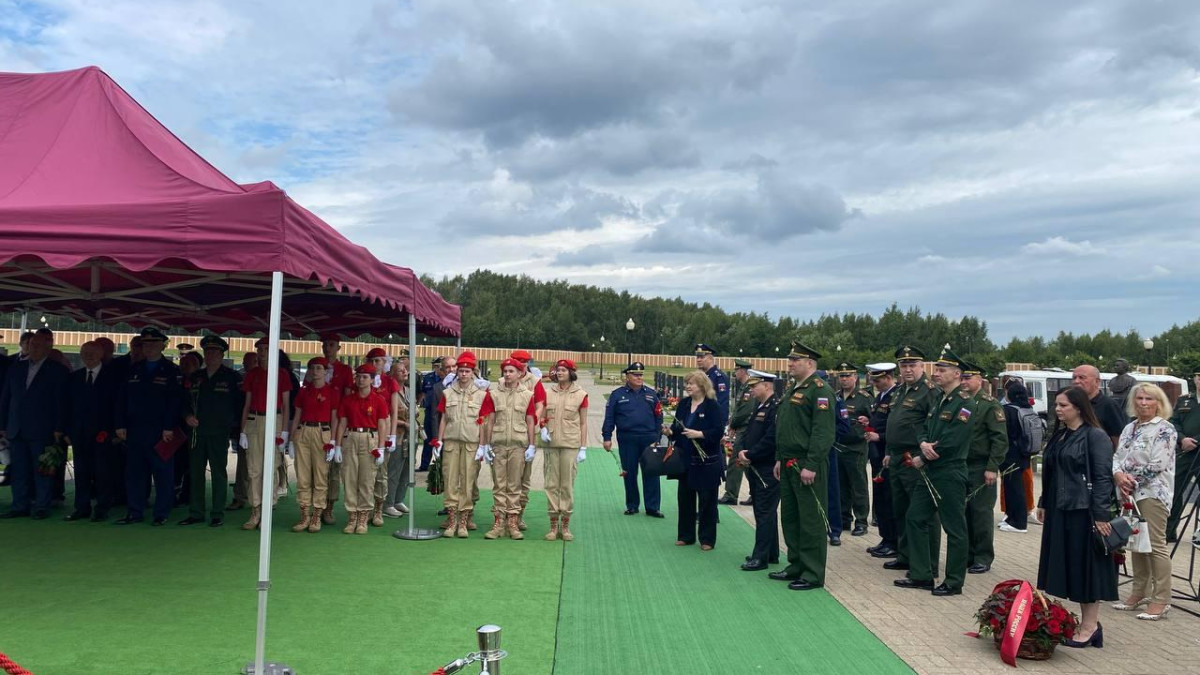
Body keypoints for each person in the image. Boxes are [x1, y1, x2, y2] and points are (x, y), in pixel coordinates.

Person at [1037, 385, 1119, 649]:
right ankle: (1086, 624)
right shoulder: (1061, 435)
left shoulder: (1095, 436)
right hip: (1060, 508)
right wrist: (1043, 502)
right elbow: (1051, 473)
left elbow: (1103, 477)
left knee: (1087, 568)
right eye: (1057, 405)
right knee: (1071, 566)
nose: (1058, 410)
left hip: (1084, 511)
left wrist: (1101, 515)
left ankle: (1090, 626)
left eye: (1063, 405)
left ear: (1079, 407)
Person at [895, 348, 978, 596]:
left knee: (954, 528)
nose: (937, 373)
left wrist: (924, 455)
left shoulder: (965, 403)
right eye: (937, 369)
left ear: (957, 374)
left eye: (942, 370)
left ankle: (953, 581)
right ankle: (921, 574)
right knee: (915, 518)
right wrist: (922, 443)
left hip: (949, 472)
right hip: (930, 471)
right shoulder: (940, 399)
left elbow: (954, 439)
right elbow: (923, 426)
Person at [769, 341, 836, 591]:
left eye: (795, 360)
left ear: (810, 363)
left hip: (806, 464)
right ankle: (796, 564)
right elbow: (785, 426)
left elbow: (823, 432)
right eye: (790, 360)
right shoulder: (794, 388)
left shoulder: (819, 390)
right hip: (788, 461)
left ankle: (812, 572)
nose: (790, 364)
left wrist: (812, 464)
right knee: (791, 517)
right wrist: (779, 457)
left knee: (810, 519)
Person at [1112, 383, 1177, 620]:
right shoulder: (1130, 427)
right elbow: (1117, 456)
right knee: (1137, 543)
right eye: (1139, 398)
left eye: (1149, 399)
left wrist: (1131, 481)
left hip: (1152, 493)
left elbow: (1158, 463)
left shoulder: (1165, 429)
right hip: (1128, 493)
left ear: (1159, 403)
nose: (1143, 403)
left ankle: (1161, 599)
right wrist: (1118, 475)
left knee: (1156, 546)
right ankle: (1139, 592)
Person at [113, 327, 184, 526]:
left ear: (162, 346)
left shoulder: (171, 370)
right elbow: (121, 399)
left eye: (153, 343)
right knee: (134, 473)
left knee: (163, 473)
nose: (149, 347)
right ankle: (134, 511)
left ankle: (161, 513)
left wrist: (168, 426)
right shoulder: (134, 369)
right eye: (145, 344)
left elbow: (174, 402)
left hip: (160, 431)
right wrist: (119, 424)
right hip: (135, 429)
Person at [883, 345, 940, 578]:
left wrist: (924, 456)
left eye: (912, 365)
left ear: (922, 366)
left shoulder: (929, 391)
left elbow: (934, 427)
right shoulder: (900, 391)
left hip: (916, 458)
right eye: (903, 365)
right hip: (897, 457)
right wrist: (889, 450)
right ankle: (906, 555)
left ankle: (928, 563)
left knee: (923, 513)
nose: (907, 369)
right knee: (902, 510)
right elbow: (894, 423)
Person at [0, 331, 69, 519]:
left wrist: (59, 427)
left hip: (43, 429)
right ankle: (19, 505)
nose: (34, 348)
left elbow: (61, 403)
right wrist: (2, 424)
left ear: (48, 347)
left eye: (38, 345)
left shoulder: (57, 370)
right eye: (31, 345)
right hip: (16, 427)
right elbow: (6, 398)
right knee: (19, 470)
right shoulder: (16, 368)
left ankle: (41, 506)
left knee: (42, 470)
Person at [179, 335, 243, 528]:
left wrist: (232, 426)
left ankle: (217, 513)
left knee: (218, 473)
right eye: (208, 351)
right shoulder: (195, 377)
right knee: (196, 473)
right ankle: (196, 512)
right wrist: (187, 416)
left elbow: (239, 405)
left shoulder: (232, 377)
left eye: (215, 352)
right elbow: (183, 402)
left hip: (219, 432)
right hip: (196, 433)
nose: (211, 355)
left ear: (222, 355)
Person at [433, 351, 494, 538]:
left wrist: (483, 445)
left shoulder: (481, 395)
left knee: (468, 482)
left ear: (473, 372)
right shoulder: (448, 392)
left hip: (471, 444)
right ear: (457, 372)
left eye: (467, 371)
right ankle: (452, 520)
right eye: (461, 371)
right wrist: (439, 441)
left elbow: (484, 421)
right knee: (450, 480)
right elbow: (444, 418)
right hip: (451, 442)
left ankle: (464, 521)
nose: (464, 374)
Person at [59, 341, 120, 522]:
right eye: (85, 352)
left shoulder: (113, 378)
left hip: (103, 434)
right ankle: (81, 507)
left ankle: (102, 508)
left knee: (103, 473)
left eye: (93, 352)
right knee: (81, 473)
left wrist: (114, 432)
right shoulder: (74, 378)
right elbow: (66, 407)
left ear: (101, 354)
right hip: (79, 434)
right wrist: (66, 431)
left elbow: (118, 407)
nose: (89, 356)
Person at [666, 370, 725, 551]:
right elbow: (678, 428)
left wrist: (699, 434)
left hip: (706, 461)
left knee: (707, 500)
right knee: (685, 498)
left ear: (702, 386)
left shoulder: (712, 406)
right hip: (686, 459)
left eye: (691, 383)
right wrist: (669, 432)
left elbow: (718, 431)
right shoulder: (684, 404)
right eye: (687, 383)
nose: (687, 387)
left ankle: (707, 539)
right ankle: (686, 535)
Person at [237, 337, 293, 530]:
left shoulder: (281, 374)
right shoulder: (252, 374)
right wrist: (243, 431)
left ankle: (267, 509)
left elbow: (286, 405)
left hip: (274, 419)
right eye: (260, 349)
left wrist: (284, 431)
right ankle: (255, 510)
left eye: (266, 349)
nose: (262, 352)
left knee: (271, 466)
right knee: (254, 469)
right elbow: (246, 404)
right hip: (254, 419)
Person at [960, 361, 1007, 575]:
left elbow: (999, 439)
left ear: (980, 380)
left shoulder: (989, 405)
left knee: (981, 513)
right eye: (962, 378)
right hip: (962, 465)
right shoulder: (963, 403)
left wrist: (992, 467)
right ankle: (968, 554)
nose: (964, 382)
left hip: (981, 467)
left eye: (968, 378)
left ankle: (982, 557)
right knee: (964, 513)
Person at [601, 361, 664, 517]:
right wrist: (607, 437)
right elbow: (609, 417)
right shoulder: (617, 395)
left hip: (648, 438)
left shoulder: (651, 394)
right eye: (635, 375)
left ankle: (652, 507)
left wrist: (657, 437)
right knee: (629, 473)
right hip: (627, 439)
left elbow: (659, 417)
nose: (639, 377)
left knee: (651, 472)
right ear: (627, 376)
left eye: (641, 375)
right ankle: (632, 505)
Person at [334, 363, 390, 534]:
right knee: (349, 477)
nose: (360, 380)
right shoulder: (348, 399)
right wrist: (337, 446)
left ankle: (363, 516)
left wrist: (381, 448)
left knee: (366, 479)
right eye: (358, 376)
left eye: (365, 377)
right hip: (351, 436)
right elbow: (342, 423)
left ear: (372, 380)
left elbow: (382, 424)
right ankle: (352, 516)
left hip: (369, 437)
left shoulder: (378, 400)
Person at [485, 357, 537, 539]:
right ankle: (499, 523)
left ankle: (513, 523)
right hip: (499, 444)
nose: (507, 374)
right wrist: (486, 444)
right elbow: (490, 420)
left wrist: (532, 445)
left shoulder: (527, 395)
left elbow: (530, 421)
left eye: (511, 371)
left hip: (518, 445)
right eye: (505, 371)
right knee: (499, 485)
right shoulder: (493, 394)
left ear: (520, 374)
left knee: (514, 485)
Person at [287, 357, 340, 532]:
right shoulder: (304, 391)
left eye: (319, 368)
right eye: (312, 368)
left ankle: (317, 515)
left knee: (320, 476)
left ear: (325, 371)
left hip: (322, 432)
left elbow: (334, 418)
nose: (315, 371)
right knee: (303, 476)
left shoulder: (332, 391)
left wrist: (333, 441)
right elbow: (297, 415)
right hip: (303, 431)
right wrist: (292, 440)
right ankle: (304, 515)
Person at [736, 370, 780, 570]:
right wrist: (743, 451)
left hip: (767, 466)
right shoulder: (761, 405)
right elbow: (750, 431)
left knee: (764, 511)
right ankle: (771, 553)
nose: (751, 390)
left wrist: (750, 454)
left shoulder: (774, 407)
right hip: (756, 464)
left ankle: (760, 557)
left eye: (755, 386)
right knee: (765, 511)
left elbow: (771, 439)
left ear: (767, 386)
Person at [542, 359, 589, 541]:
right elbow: (543, 416)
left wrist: (583, 447)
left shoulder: (581, 395)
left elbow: (583, 423)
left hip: (570, 444)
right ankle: (553, 525)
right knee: (551, 484)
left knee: (566, 485)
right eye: (558, 370)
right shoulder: (548, 393)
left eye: (563, 370)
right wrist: (543, 428)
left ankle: (566, 525)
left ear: (571, 372)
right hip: (552, 444)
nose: (559, 373)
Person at [861, 363, 899, 558]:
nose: (874, 383)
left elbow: (896, 428)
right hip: (877, 455)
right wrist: (868, 424)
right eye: (873, 380)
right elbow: (880, 421)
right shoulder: (880, 396)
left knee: (889, 500)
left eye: (878, 380)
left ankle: (893, 541)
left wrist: (880, 436)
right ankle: (885, 538)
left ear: (889, 377)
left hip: (887, 453)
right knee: (881, 499)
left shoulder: (895, 396)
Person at [318, 333, 355, 524]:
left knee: (333, 469)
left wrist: (344, 422)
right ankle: (316, 506)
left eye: (331, 344)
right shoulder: (316, 366)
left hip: (337, 422)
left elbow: (347, 396)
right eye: (325, 344)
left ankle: (329, 507)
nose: (327, 348)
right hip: (318, 420)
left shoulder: (345, 370)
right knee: (317, 467)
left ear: (338, 348)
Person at [833, 361, 872, 536]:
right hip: (838, 446)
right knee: (841, 485)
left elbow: (874, 421)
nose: (844, 379)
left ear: (855, 377)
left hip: (856, 448)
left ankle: (861, 521)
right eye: (841, 376)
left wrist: (867, 428)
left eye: (848, 375)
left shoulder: (864, 398)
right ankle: (844, 519)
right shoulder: (835, 396)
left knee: (858, 486)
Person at [510, 350, 546, 529]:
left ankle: (518, 515)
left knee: (524, 476)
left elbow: (540, 405)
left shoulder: (534, 382)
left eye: (525, 362)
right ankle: (505, 514)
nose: (522, 364)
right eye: (518, 361)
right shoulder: (504, 379)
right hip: (508, 433)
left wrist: (533, 420)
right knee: (507, 477)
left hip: (527, 433)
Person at [365, 347, 400, 527]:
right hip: (366, 425)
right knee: (365, 471)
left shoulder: (389, 382)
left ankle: (379, 508)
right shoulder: (365, 379)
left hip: (383, 425)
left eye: (378, 360)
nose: (375, 364)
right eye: (372, 361)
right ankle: (366, 508)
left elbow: (393, 411)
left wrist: (392, 434)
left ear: (385, 362)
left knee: (381, 471)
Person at [1166, 368, 1200, 543]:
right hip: (1184, 453)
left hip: (1197, 450)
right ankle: (1169, 531)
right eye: (1199, 377)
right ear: (1195, 379)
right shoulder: (1184, 400)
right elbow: (1173, 422)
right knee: (1174, 491)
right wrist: (1181, 439)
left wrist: (1196, 441)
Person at [998, 382, 1033, 533]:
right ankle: (1011, 518)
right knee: (1015, 487)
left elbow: (1002, 433)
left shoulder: (1008, 410)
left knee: (1014, 489)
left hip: (1010, 454)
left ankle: (1018, 522)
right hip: (1025, 454)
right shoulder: (1028, 409)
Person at [720, 359, 755, 505]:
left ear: (743, 371)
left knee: (736, 461)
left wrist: (733, 425)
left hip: (745, 429)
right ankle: (755, 493)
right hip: (742, 428)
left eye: (737, 370)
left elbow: (745, 411)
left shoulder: (749, 387)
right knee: (745, 462)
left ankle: (731, 494)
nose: (735, 372)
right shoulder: (744, 387)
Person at [383, 358, 412, 519]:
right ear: (392, 374)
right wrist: (403, 423)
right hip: (398, 435)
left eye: (405, 370)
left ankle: (399, 499)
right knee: (394, 470)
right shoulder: (390, 392)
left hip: (410, 436)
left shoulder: (409, 391)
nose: (404, 372)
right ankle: (388, 503)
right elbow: (388, 414)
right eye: (400, 370)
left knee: (406, 470)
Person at [1072, 365, 1126, 448]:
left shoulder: (1108, 405)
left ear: (1097, 382)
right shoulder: (1072, 404)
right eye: (1074, 378)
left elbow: (1118, 439)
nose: (1076, 381)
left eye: (1082, 378)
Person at [694, 343, 730, 424]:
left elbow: (722, 402)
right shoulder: (701, 376)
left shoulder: (718, 377)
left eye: (702, 357)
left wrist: (721, 423)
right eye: (697, 357)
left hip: (712, 421)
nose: (698, 360)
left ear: (710, 359)